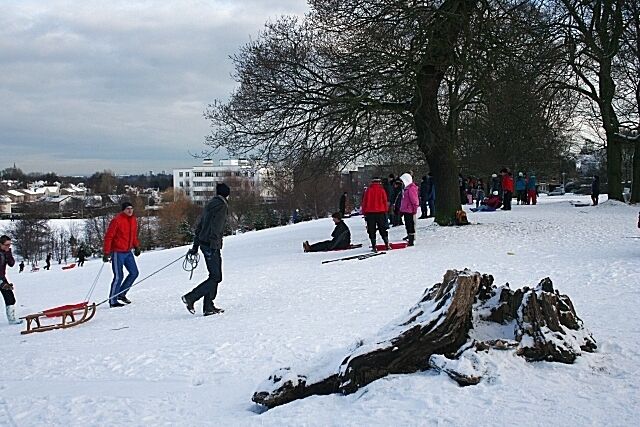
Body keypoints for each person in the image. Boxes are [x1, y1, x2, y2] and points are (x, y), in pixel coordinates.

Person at [182, 182, 230, 316]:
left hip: (204, 243)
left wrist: (195, 246)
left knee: (214, 276)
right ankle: (191, 297)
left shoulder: (211, 204)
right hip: (211, 245)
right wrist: (214, 244)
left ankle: (208, 306)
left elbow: (200, 225)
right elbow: (217, 227)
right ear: (227, 194)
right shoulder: (222, 205)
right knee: (216, 276)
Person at [103, 202, 141, 308]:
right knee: (118, 276)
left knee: (134, 273)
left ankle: (121, 294)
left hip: (128, 252)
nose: (130, 211)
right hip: (117, 252)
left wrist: (136, 246)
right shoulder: (117, 220)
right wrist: (106, 252)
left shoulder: (133, 220)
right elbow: (109, 237)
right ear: (123, 210)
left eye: (131, 208)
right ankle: (113, 300)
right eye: (127, 209)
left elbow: (133, 235)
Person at [361, 177, 390, 252]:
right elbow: (385, 201)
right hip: (381, 212)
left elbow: (364, 202)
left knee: (371, 230)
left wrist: (364, 212)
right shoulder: (382, 190)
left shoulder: (368, 190)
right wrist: (386, 210)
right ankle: (386, 244)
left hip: (370, 213)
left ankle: (374, 246)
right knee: (382, 229)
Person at [0, 235, 22, 324]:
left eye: (9, 245)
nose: (8, 247)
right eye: (6, 245)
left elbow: (11, 264)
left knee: (10, 298)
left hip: (2, 277)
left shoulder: (7, 251)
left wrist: (8, 254)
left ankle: (12, 320)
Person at [399, 173, 419, 246]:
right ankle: (409, 237)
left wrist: (414, 209)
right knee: (407, 224)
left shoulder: (411, 188)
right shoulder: (406, 188)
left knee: (410, 225)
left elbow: (414, 200)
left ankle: (411, 240)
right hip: (406, 209)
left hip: (410, 210)